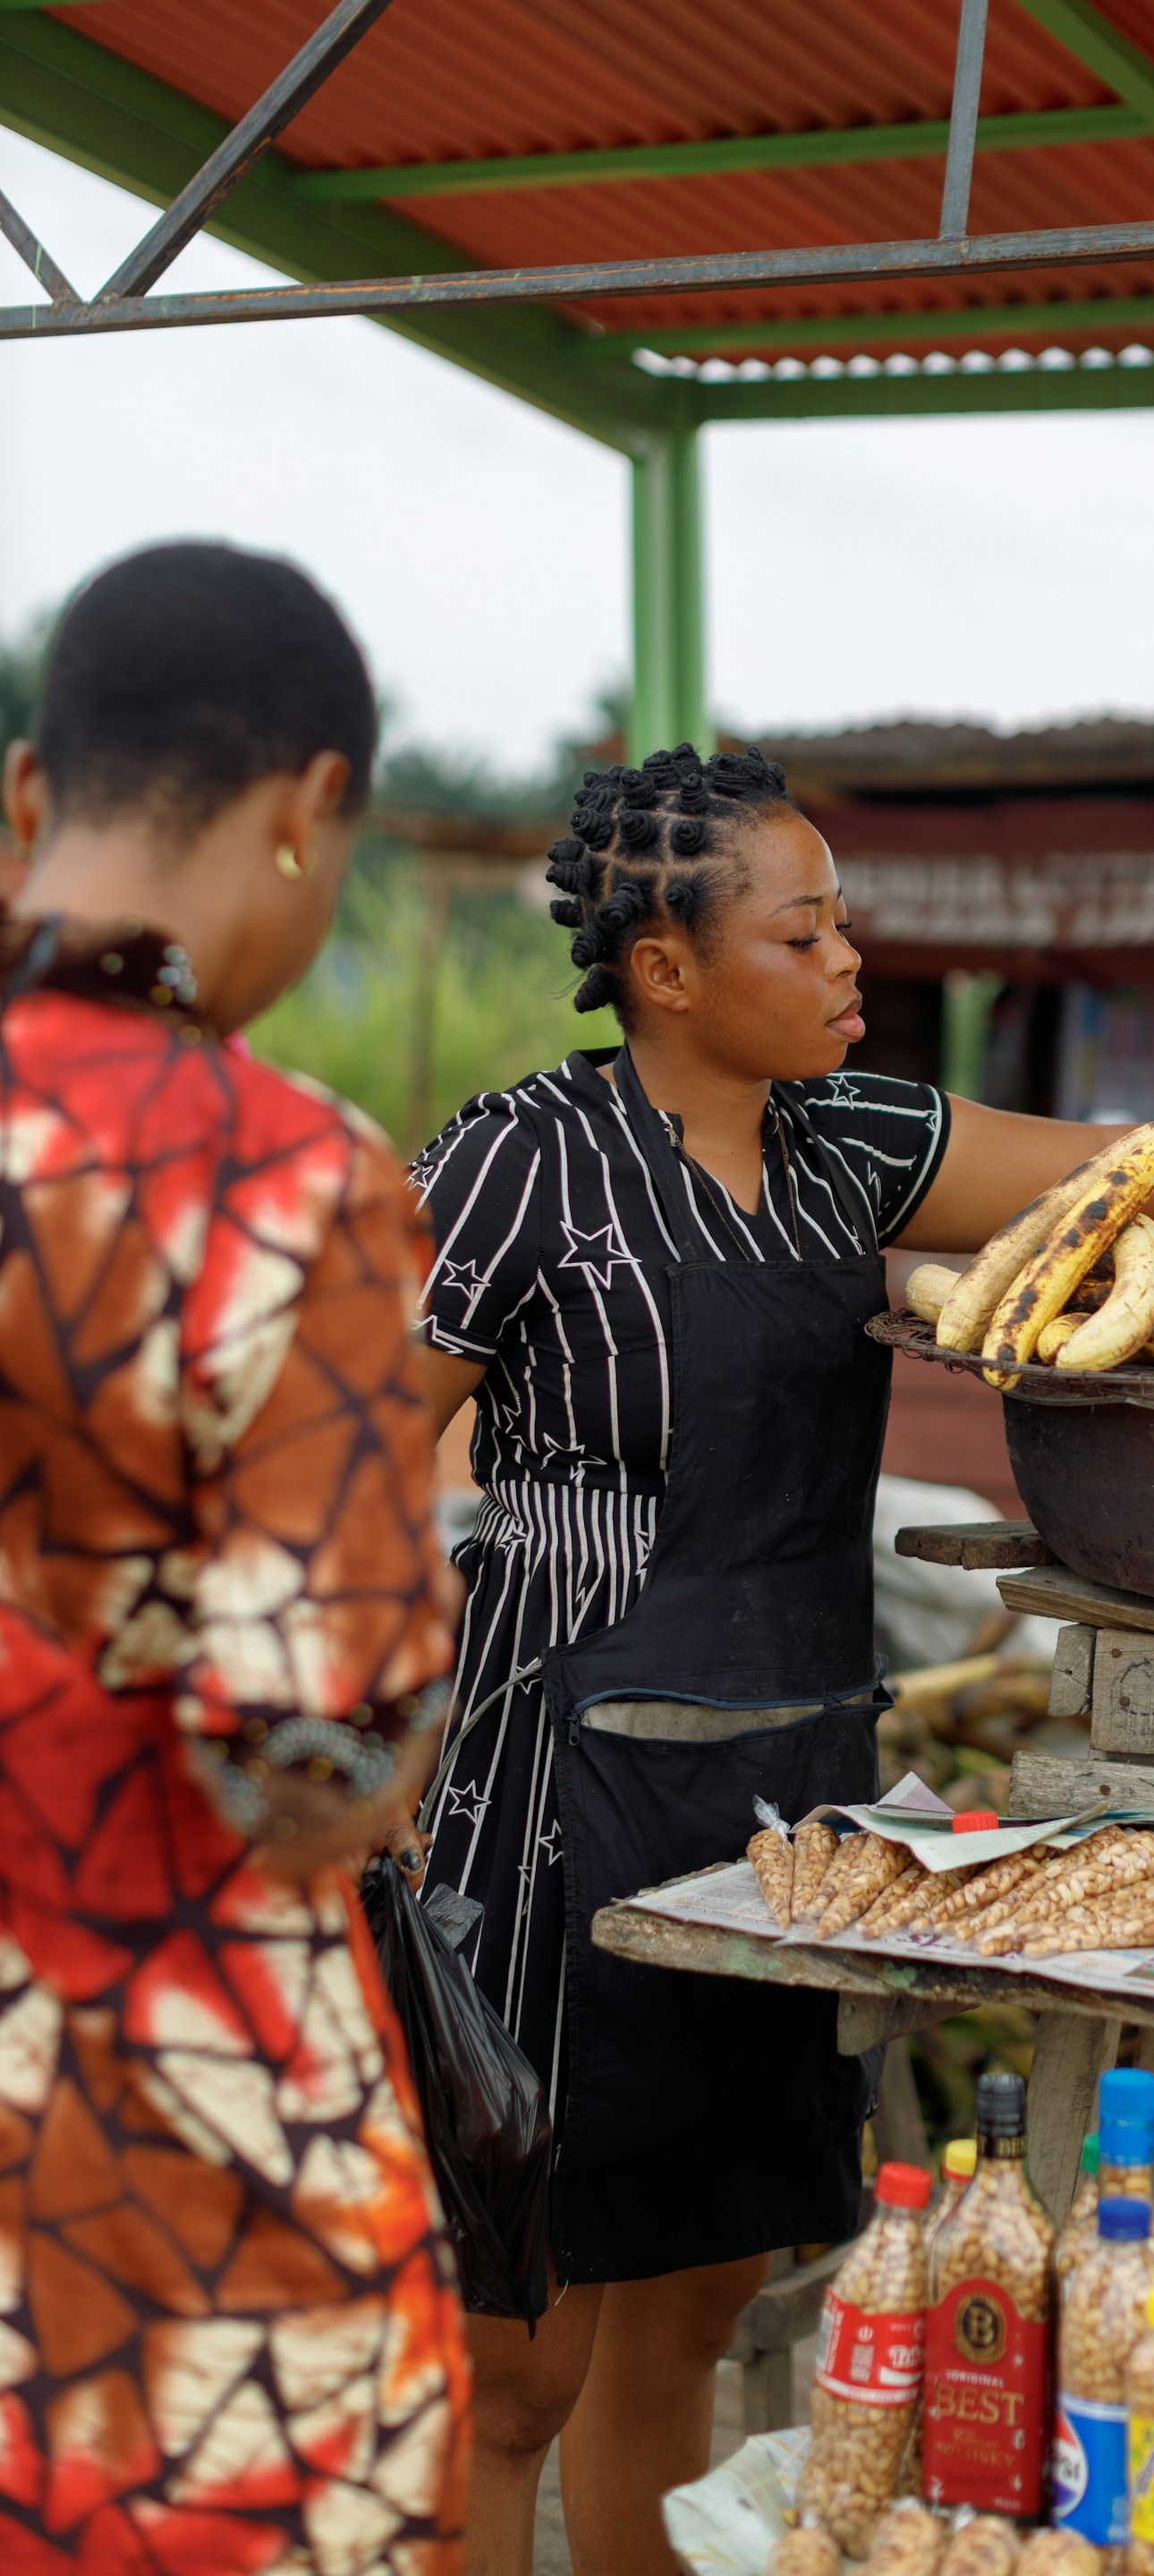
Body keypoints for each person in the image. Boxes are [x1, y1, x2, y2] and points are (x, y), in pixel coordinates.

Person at [412, 739, 1154, 2576]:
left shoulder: (851, 1146)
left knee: (695, 2312)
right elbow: (341, 1450)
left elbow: (1124, 1175)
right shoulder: (517, 1166)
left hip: (782, 1814)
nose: (848, 958)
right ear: (667, 967)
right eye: (805, 932)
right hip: (549, 1801)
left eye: (844, 923)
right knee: (514, 2365)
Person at [0, 543, 471, 2568]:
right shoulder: (281, 1181)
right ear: (309, 812)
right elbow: (304, 1779)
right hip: (165, 2187)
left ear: (31, 797)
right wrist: (414, 1713)